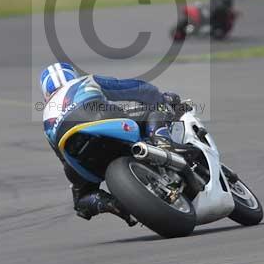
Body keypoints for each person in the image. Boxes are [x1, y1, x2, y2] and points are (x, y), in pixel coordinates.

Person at [40, 62, 182, 225]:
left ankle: (110, 204)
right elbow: (134, 89)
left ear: (45, 93)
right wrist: (161, 98)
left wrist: (80, 183)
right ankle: (163, 144)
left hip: (75, 150)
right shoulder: (86, 81)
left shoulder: (46, 117)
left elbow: (64, 159)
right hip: (101, 120)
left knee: (81, 200)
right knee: (155, 111)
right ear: (73, 76)